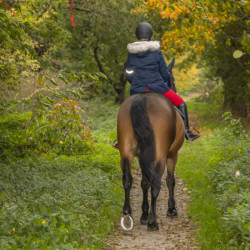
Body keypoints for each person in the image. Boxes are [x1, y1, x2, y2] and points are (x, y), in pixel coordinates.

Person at [125, 22, 199, 141]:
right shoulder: (156, 51)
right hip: (158, 87)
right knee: (181, 103)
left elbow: (128, 73)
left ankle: (122, 140)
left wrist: (134, 83)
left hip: (137, 89)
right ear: (150, 35)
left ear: (137, 35)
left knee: (126, 112)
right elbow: (165, 72)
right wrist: (167, 84)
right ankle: (187, 132)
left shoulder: (131, 54)